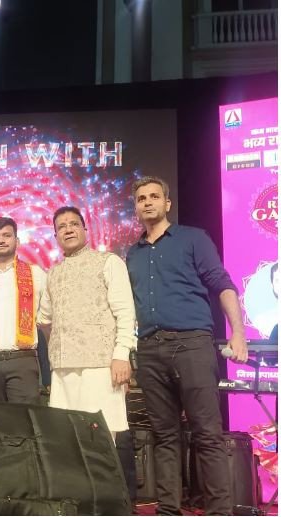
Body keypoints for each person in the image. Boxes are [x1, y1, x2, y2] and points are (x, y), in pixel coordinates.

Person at [126, 176, 248, 516]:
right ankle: (168, 510)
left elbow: (222, 283)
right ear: (136, 208)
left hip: (192, 344)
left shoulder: (193, 238)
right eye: (141, 198)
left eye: (154, 196)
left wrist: (238, 332)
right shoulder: (132, 254)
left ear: (167, 203)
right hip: (149, 350)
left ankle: (219, 512)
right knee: (164, 436)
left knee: (206, 434)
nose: (147, 202)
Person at [37, 206, 135, 440]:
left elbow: (125, 312)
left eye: (74, 224)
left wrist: (121, 355)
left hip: (99, 367)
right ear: (56, 236)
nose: (68, 230)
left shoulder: (108, 262)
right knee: (66, 440)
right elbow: (44, 319)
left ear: (85, 229)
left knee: (99, 439)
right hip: (63, 370)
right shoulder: (53, 273)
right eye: (62, 227)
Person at [0, 216, 48, 405]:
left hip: (22, 360)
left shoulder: (35, 274)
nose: (1, 240)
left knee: (24, 419)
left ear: (17, 241)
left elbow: (46, 314)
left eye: (6, 235)